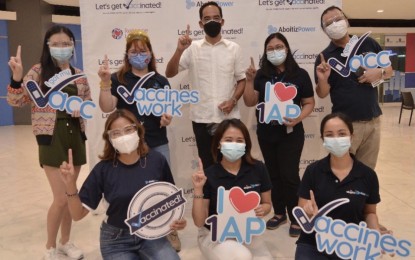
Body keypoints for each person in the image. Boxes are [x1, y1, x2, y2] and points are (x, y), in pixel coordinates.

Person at [7, 25, 90, 260]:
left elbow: (88, 104)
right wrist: (16, 77)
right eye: (56, 43)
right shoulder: (38, 72)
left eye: (66, 43)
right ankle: (50, 246)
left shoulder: (79, 74)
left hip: (75, 136)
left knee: (71, 194)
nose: (62, 48)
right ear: (48, 46)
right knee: (61, 197)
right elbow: (16, 101)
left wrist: (80, 109)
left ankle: (66, 242)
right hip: (51, 137)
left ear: (73, 46)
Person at [59, 109, 187, 259]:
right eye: (116, 133)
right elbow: (77, 214)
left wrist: (178, 221)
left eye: (128, 130)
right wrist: (69, 185)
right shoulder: (103, 169)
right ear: (109, 138)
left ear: (138, 130)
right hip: (117, 240)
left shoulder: (156, 161)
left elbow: (170, 202)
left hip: (151, 236)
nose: (123, 136)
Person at [97, 30, 181, 250]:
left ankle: (168, 229)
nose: (139, 54)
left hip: (157, 140)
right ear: (127, 54)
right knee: (131, 188)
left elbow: (167, 111)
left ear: (150, 53)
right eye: (134, 51)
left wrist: (166, 118)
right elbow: (107, 107)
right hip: (128, 145)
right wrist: (105, 83)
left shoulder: (160, 81)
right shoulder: (118, 79)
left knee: (164, 189)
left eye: (143, 50)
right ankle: (131, 233)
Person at [244, 33, 315, 237]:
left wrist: (298, 118)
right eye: (271, 48)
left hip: (291, 133)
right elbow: (250, 102)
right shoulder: (261, 75)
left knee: (290, 175)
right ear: (265, 53)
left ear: (287, 48)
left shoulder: (300, 74)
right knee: (273, 174)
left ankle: (295, 216)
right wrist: (249, 81)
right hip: (266, 133)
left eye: (279, 46)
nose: (276, 51)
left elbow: (309, 103)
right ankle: (279, 212)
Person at [165, 1, 246, 169]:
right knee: (208, 168)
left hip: (228, 119)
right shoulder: (192, 48)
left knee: (232, 166)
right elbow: (170, 72)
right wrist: (179, 50)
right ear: (200, 24)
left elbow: (241, 80)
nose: (212, 22)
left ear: (222, 21)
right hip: (201, 119)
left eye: (216, 18)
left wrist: (233, 100)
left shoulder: (234, 48)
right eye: (207, 19)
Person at [315, 6, 393, 170]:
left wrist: (379, 72)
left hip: (373, 121)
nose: (335, 24)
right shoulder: (325, 57)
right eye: (329, 23)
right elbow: (322, 93)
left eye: (338, 19)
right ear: (325, 31)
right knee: (341, 170)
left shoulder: (368, 43)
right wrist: (323, 79)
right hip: (344, 124)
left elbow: (389, 71)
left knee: (367, 171)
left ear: (346, 20)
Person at [295, 112, 381, 259]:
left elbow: (370, 212)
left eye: (342, 134)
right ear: (323, 139)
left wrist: (376, 235)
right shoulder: (313, 171)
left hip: (351, 243)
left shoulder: (368, 175)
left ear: (351, 136)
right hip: (314, 242)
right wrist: (308, 210)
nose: (336, 139)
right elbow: (303, 206)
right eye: (329, 135)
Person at [192, 118, 273, 259]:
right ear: (219, 144)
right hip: (214, 235)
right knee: (241, 256)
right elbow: (199, 222)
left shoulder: (258, 168)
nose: (233, 144)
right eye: (228, 140)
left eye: (239, 140)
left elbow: (267, 204)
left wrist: (263, 209)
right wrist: (198, 189)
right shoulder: (209, 174)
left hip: (246, 232)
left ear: (246, 144)